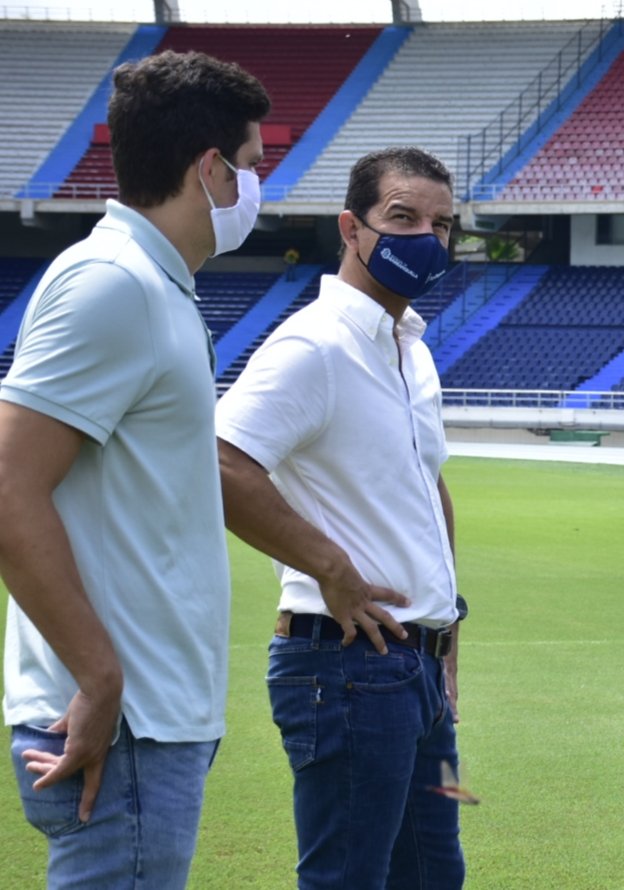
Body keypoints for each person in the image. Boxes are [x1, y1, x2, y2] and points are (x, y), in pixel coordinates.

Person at [0, 51, 268, 888]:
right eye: (253, 167)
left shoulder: (154, 284)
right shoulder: (113, 284)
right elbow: (9, 486)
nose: (258, 189)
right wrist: (101, 674)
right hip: (123, 724)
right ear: (211, 169)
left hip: (149, 718)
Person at [215, 147, 465, 889]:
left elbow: (428, 484)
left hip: (415, 671)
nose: (427, 236)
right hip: (347, 668)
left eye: (443, 224)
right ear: (351, 228)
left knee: (432, 877)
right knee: (348, 879)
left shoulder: (409, 349)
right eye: (404, 217)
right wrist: (330, 568)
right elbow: (222, 462)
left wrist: (449, 630)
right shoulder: (312, 345)